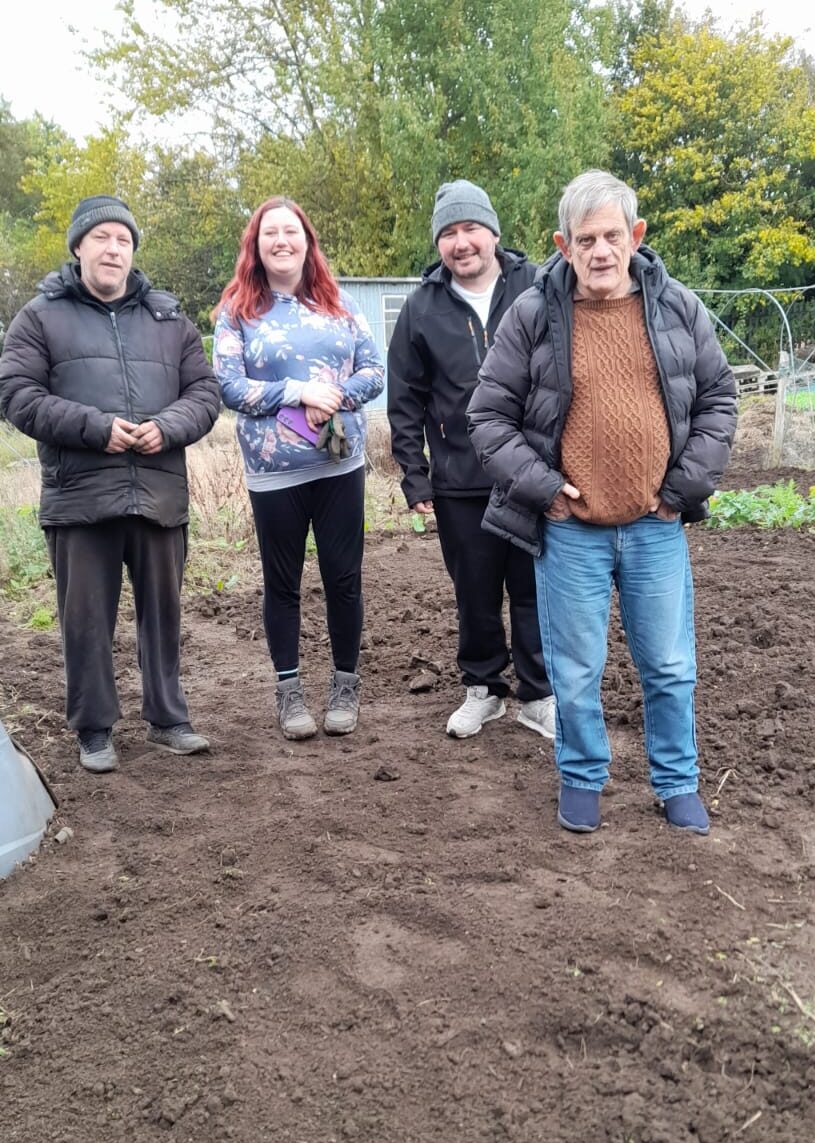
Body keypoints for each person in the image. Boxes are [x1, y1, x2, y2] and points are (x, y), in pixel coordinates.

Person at [468, 170, 737, 836]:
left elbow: (719, 402)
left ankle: (677, 783)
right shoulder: (532, 315)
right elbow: (488, 417)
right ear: (563, 246)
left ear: (635, 235)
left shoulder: (677, 307)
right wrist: (542, 488)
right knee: (575, 668)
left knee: (670, 667)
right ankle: (583, 777)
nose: (599, 251)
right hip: (573, 533)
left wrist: (683, 489)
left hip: (655, 526)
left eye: (612, 235)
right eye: (584, 239)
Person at [0, 194, 220, 773]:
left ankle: (169, 719)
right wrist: (97, 429)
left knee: (164, 616)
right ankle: (94, 730)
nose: (113, 249)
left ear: (133, 252)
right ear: (78, 247)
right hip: (80, 497)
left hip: (158, 492)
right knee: (85, 621)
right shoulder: (40, 316)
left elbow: (205, 395)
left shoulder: (169, 319)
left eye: (123, 240)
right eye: (101, 238)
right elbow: (17, 396)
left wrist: (165, 428)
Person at [388, 180, 554, 740]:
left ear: (494, 234)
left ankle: (539, 694)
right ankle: (483, 690)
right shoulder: (421, 308)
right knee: (475, 592)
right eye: (449, 233)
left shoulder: (538, 287)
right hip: (459, 478)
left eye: (471, 229)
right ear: (439, 243)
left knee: (534, 588)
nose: (462, 243)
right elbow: (404, 400)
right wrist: (416, 477)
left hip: (532, 472)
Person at [213, 197, 384, 740]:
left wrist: (333, 396)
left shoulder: (339, 305)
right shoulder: (238, 311)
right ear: (256, 248)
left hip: (339, 469)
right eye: (271, 234)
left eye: (292, 232)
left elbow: (375, 371)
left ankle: (344, 686)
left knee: (344, 579)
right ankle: (289, 693)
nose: (282, 241)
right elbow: (229, 387)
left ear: (308, 242)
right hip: (274, 474)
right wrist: (298, 390)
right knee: (282, 584)